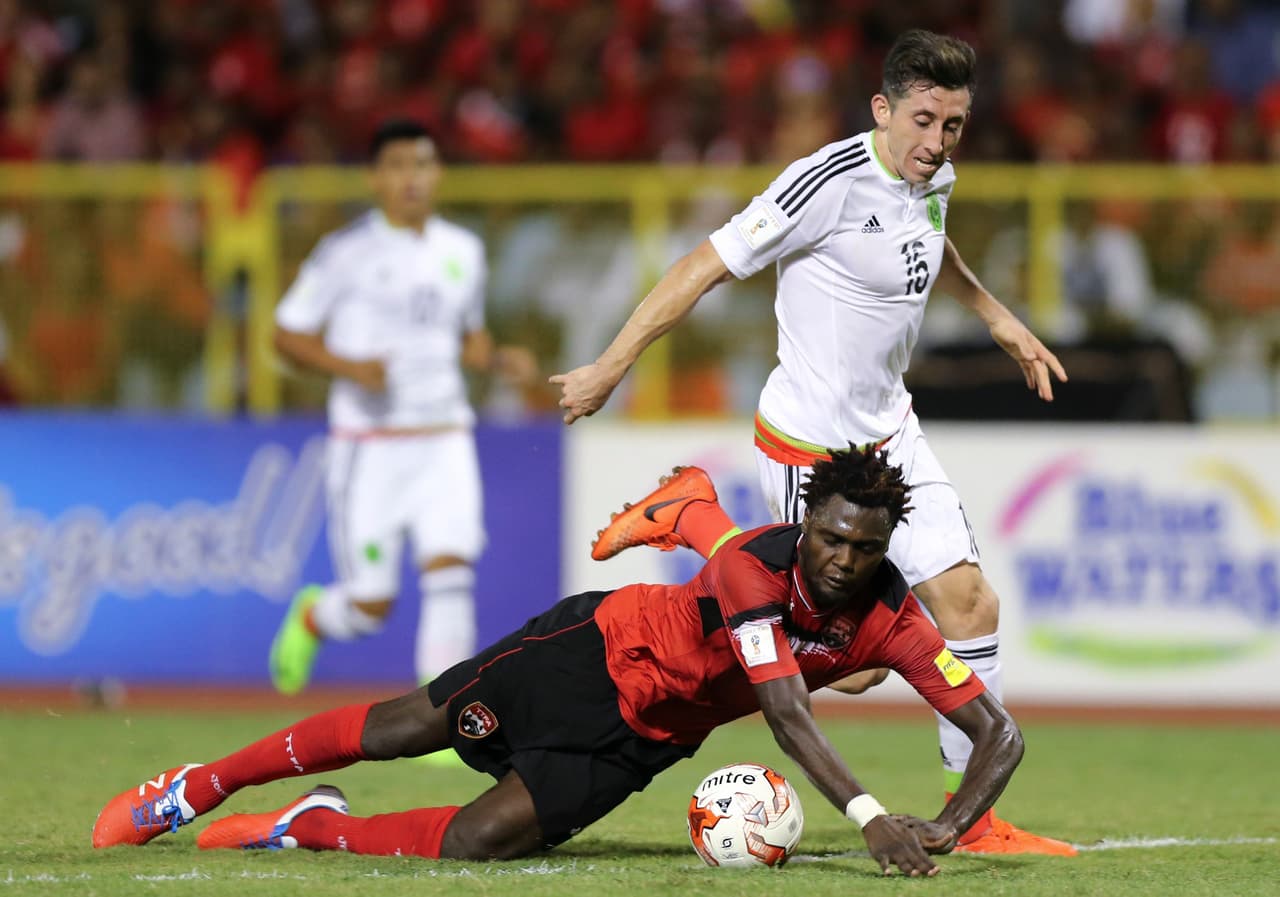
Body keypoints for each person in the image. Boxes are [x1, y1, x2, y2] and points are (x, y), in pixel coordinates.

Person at [551, 30, 1073, 855]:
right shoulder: (823, 182)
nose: (937, 144)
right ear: (883, 109)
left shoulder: (931, 175)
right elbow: (705, 262)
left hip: (892, 430)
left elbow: (929, 245)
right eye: (924, 120)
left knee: (971, 603)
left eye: (955, 125)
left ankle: (976, 821)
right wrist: (612, 365)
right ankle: (695, 519)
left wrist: (996, 315)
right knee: (858, 664)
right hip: (812, 450)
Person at [92, 446, 1024, 877]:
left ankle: (303, 827)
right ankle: (198, 786)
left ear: (885, 545)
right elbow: (785, 712)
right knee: (398, 727)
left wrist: (947, 822)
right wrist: (867, 816)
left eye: (861, 548)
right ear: (807, 522)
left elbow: (999, 733)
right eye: (827, 536)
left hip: (646, 738)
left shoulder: (895, 614)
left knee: (476, 845)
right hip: (590, 652)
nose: (839, 559)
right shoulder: (753, 565)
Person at [268, 118, 534, 700]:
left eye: (422, 165)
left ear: (437, 174)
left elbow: (467, 337)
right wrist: (349, 366)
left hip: (444, 437)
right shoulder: (346, 252)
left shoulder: (462, 250)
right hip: (371, 446)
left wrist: (495, 359)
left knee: (451, 570)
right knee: (370, 604)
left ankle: (443, 717)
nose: (411, 179)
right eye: (397, 167)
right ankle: (315, 615)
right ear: (374, 178)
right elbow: (285, 334)